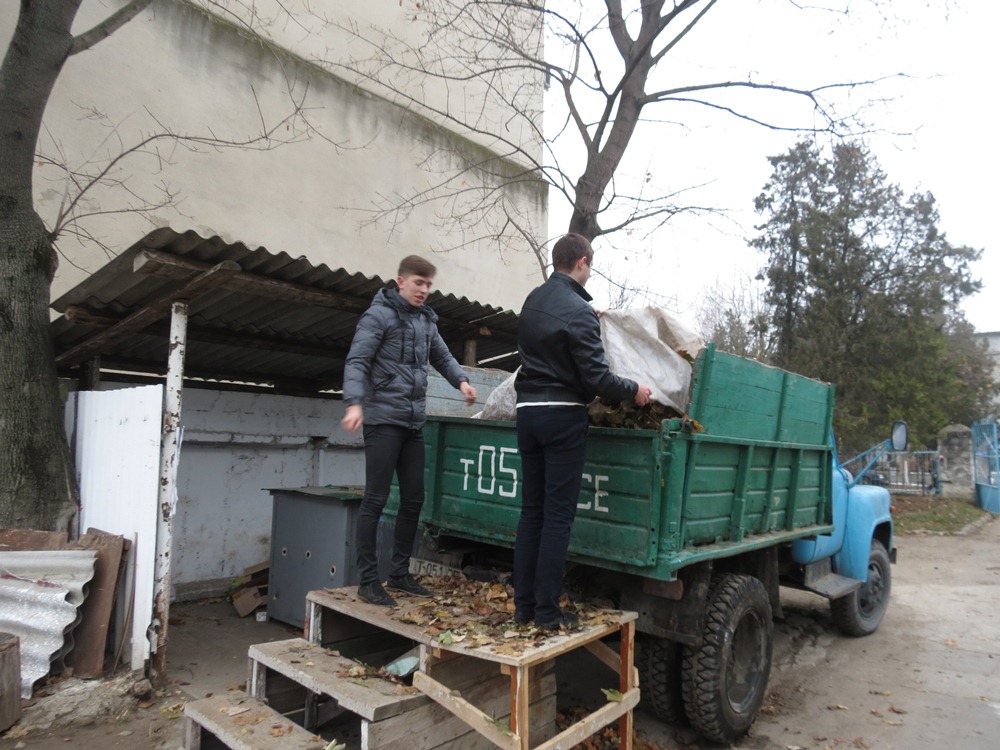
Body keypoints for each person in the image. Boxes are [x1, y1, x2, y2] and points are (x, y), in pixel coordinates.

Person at [513, 233, 652, 631]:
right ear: (582, 263)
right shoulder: (579, 312)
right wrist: (634, 390)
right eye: (590, 266)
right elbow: (597, 379)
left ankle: (524, 608)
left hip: (527, 414)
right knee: (558, 517)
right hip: (562, 417)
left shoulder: (532, 300)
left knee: (532, 512)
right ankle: (547, 613)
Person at [341, 255, 477, 606]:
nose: (424, 290)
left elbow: (442, 357)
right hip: (383, 420)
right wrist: (354, 403)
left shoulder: (426, 321)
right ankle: (368, 580)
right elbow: (357, 361)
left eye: (429, 284)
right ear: (400, 281)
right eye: (419, 283)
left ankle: (399, 573)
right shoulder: (378, 316)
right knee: (376, 499)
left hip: (413, 422)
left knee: (414, 498)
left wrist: (462, 382)